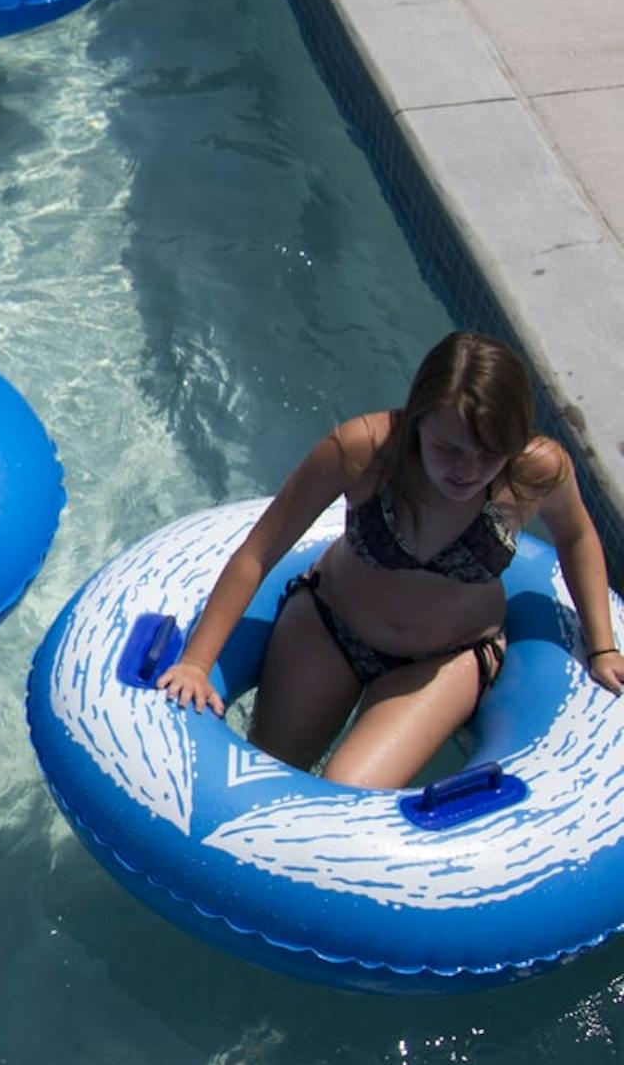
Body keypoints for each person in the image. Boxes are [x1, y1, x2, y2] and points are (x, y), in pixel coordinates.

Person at [157, 331, 624, 791]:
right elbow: (260, 552)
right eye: (450, 448)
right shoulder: (362, 453)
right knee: (266, 774)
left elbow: (578, 537)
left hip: (448, 656)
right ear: (418, 419)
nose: (468, 470)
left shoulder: (534, 469)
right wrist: (198, 663)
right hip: (330, 627)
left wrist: (602, 647)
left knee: (347, 793)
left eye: (489, 454)